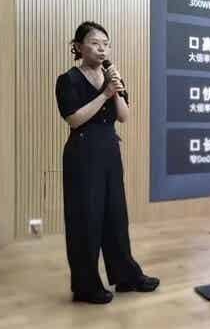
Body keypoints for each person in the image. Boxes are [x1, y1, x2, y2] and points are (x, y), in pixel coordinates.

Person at [55, 21, 159, 304]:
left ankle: (126, 275)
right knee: (85, 219)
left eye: (106, 44)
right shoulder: (68, 80)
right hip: (82, 154)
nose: (102, 49)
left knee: (116, 216)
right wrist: (104, 94)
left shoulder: (112, 77)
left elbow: (123, 116)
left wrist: (116, 89)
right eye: (95, 43)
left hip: (109, 152)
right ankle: (86, 286)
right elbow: (74, 119)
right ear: (78, 47)